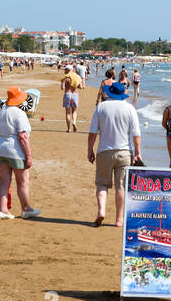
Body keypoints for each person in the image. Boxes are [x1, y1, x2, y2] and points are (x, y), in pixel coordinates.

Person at [86, 82, 142, 227]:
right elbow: (136, 134)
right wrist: (138, 153)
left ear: (109, 93)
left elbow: (93, 132)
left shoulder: (101, 107)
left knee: (102, 185)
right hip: (124, 153)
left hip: (104, 151)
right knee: (121, 187)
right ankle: (119, 219)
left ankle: (101, 211)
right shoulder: (129, 108)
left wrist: (90, 150)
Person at [0, 87, 40, 219]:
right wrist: (29, 156)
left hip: (1, 149)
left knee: (4, 182)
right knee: (22, 181)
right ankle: (26, 208)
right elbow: (22, 136)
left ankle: (3, 210)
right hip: (15, 150)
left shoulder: (1, 112)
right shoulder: (19, 113)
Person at [61, 66, 81, 132]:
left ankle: (69, 128)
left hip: (67, 94)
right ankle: (74, 122)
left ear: (68, 70)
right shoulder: (77, 77)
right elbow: (81, 87)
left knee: (67, 113)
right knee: (74, 111)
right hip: (75, 94)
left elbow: (62, 88)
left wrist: (63, 83)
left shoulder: (65, 78)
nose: (64, 71)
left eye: (65, 70)